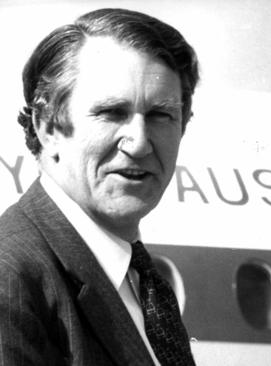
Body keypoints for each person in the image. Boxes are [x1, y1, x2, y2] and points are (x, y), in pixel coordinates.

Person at [0, 8, 199, 365]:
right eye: (111, 113)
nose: (139, 143)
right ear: (48, 127)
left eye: (161, 115)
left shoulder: (142, 283)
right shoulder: (11, 280)